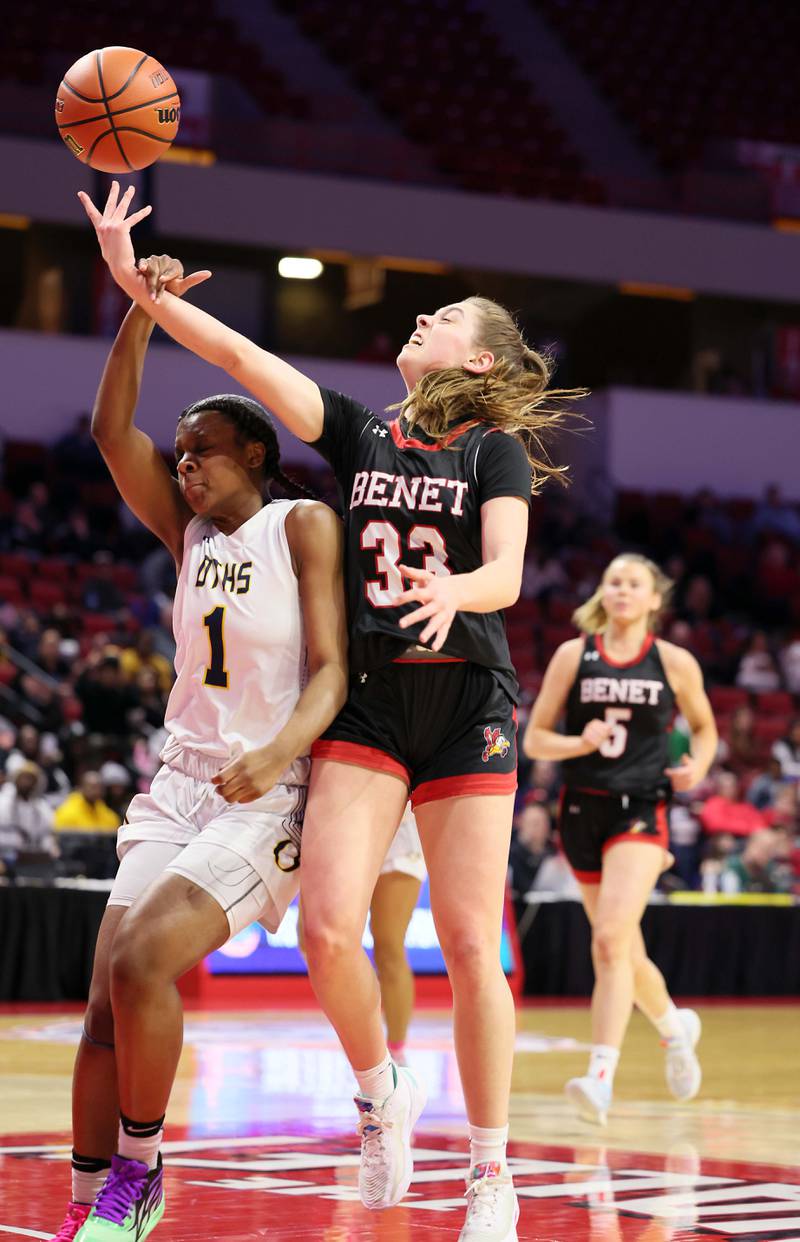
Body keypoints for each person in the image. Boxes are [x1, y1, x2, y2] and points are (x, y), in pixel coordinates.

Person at [78, 179, 586, 1241]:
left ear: (480, 362)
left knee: (461, 939)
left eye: (441, 320)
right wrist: (140, 290)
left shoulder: (485, 450)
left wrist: (457, 591)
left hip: (464, 704)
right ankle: (377, 1091)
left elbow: (504, 570)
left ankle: (491, 1176)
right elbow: (242, 364)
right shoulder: (360, 436)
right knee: (322, 927)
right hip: (368, 709)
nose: (418, 320)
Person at [52, 257, 347, 1242]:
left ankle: (141, 1174)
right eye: (180, 453)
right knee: (102, 1007)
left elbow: (331, 673)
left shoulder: (300, 525)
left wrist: (278, 756)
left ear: (257, 455)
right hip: (177, 787)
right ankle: (89, 1199)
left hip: (263, 795)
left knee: (142, 967)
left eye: (207, 451)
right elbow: (108, 431)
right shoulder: (187, 535)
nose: (186, 465)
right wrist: (139, 310)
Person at [523, 553, 718, 1125]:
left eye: (634, 583)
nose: (622, 590)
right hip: (582, 809)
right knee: (625, 951)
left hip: (642, 810)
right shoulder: (573, 654)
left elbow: (705, 728)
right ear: (603, 593)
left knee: (608, 940)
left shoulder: (672, 661)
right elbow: (535, 741)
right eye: (613, 582)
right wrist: (577, 743)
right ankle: (674, 1030)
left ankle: (599, 1077)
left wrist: (699, 767)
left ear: (654, 598)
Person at [371, 803, 426, 1066]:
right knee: (317, 939)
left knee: (388, 947)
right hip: (344, 819)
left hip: (400, 829)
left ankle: (395, 1052)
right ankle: (359, 1038)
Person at [53, 770, 121, 833]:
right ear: (81, 788)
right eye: (93, 787)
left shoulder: (110, 816)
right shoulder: (65, 812)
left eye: (99, 787)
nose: (97, 791)